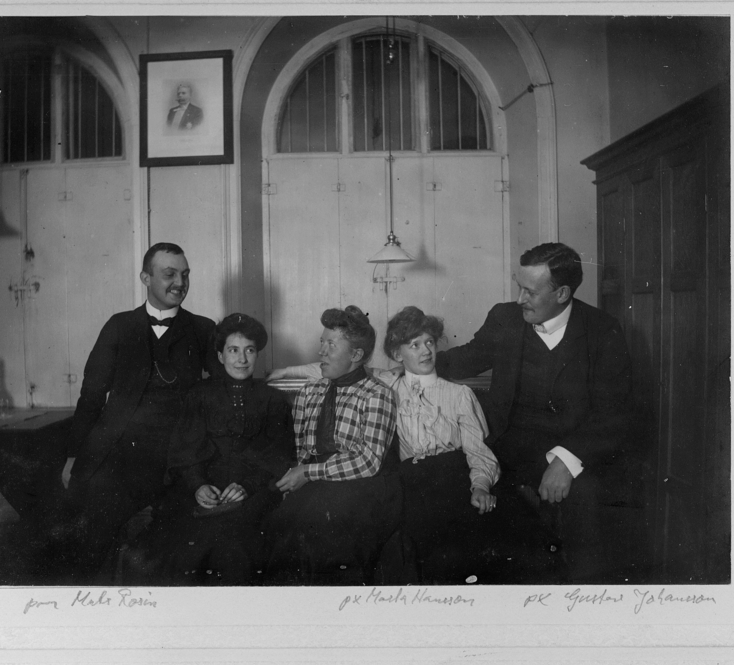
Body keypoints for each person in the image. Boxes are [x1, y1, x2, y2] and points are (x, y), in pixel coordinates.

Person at [434, 242, 635, 582]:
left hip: (569, 446)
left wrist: (566, 461)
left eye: (530, 291)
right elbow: (466, 358)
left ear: (562, 293)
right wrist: (413, 365)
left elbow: (614, 413)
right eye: (519, 287)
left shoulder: (603, 330)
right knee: (452, 489)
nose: (519, 299)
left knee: (585, 507)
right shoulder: (505, 318)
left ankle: (580, 595)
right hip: (504, 443)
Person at [270, 306, 503, 584]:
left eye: (429, 342)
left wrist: (480, 485)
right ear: (397, 354)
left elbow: (477, 450)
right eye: (414, 345)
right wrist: (283, 371)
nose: (426, 351)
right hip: (411, 479)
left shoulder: (459, 394)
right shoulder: (389, 382)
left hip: (452, 476)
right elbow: (336, 367)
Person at [55, 242, 219, 579]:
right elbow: (91, 396)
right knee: (91, 535)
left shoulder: (203, 329)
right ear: (146, 278)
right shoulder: (119, 326)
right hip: (119, 457)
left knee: (174, 548)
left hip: (177, 457)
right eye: (169, 274)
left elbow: (219, 392)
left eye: (185, 275)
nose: (180, 283)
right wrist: (74, 455)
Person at [118, 314, 295, 586]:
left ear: (257, 354)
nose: (242, 359)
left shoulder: (273, 400)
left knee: (235, 546)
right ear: (221, 356)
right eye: (233, 350)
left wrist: (247, 486)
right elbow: (184, 451)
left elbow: (279, 455)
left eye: (249, 350)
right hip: (202, 488)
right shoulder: (199, 395)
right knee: (175, 547)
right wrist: (198, 486)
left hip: (253, 490)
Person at [263, 306, 399, 585]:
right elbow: (300, 450)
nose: (321, 351)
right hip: (316, 483)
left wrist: (308, 473)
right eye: (321, 342)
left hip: (362, 485)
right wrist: (294, 479)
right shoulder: (310, 391)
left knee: (327, 532)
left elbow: (368, 462)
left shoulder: (377, 395)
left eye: (331, 345)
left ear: (356, 355)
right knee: (280, 524)